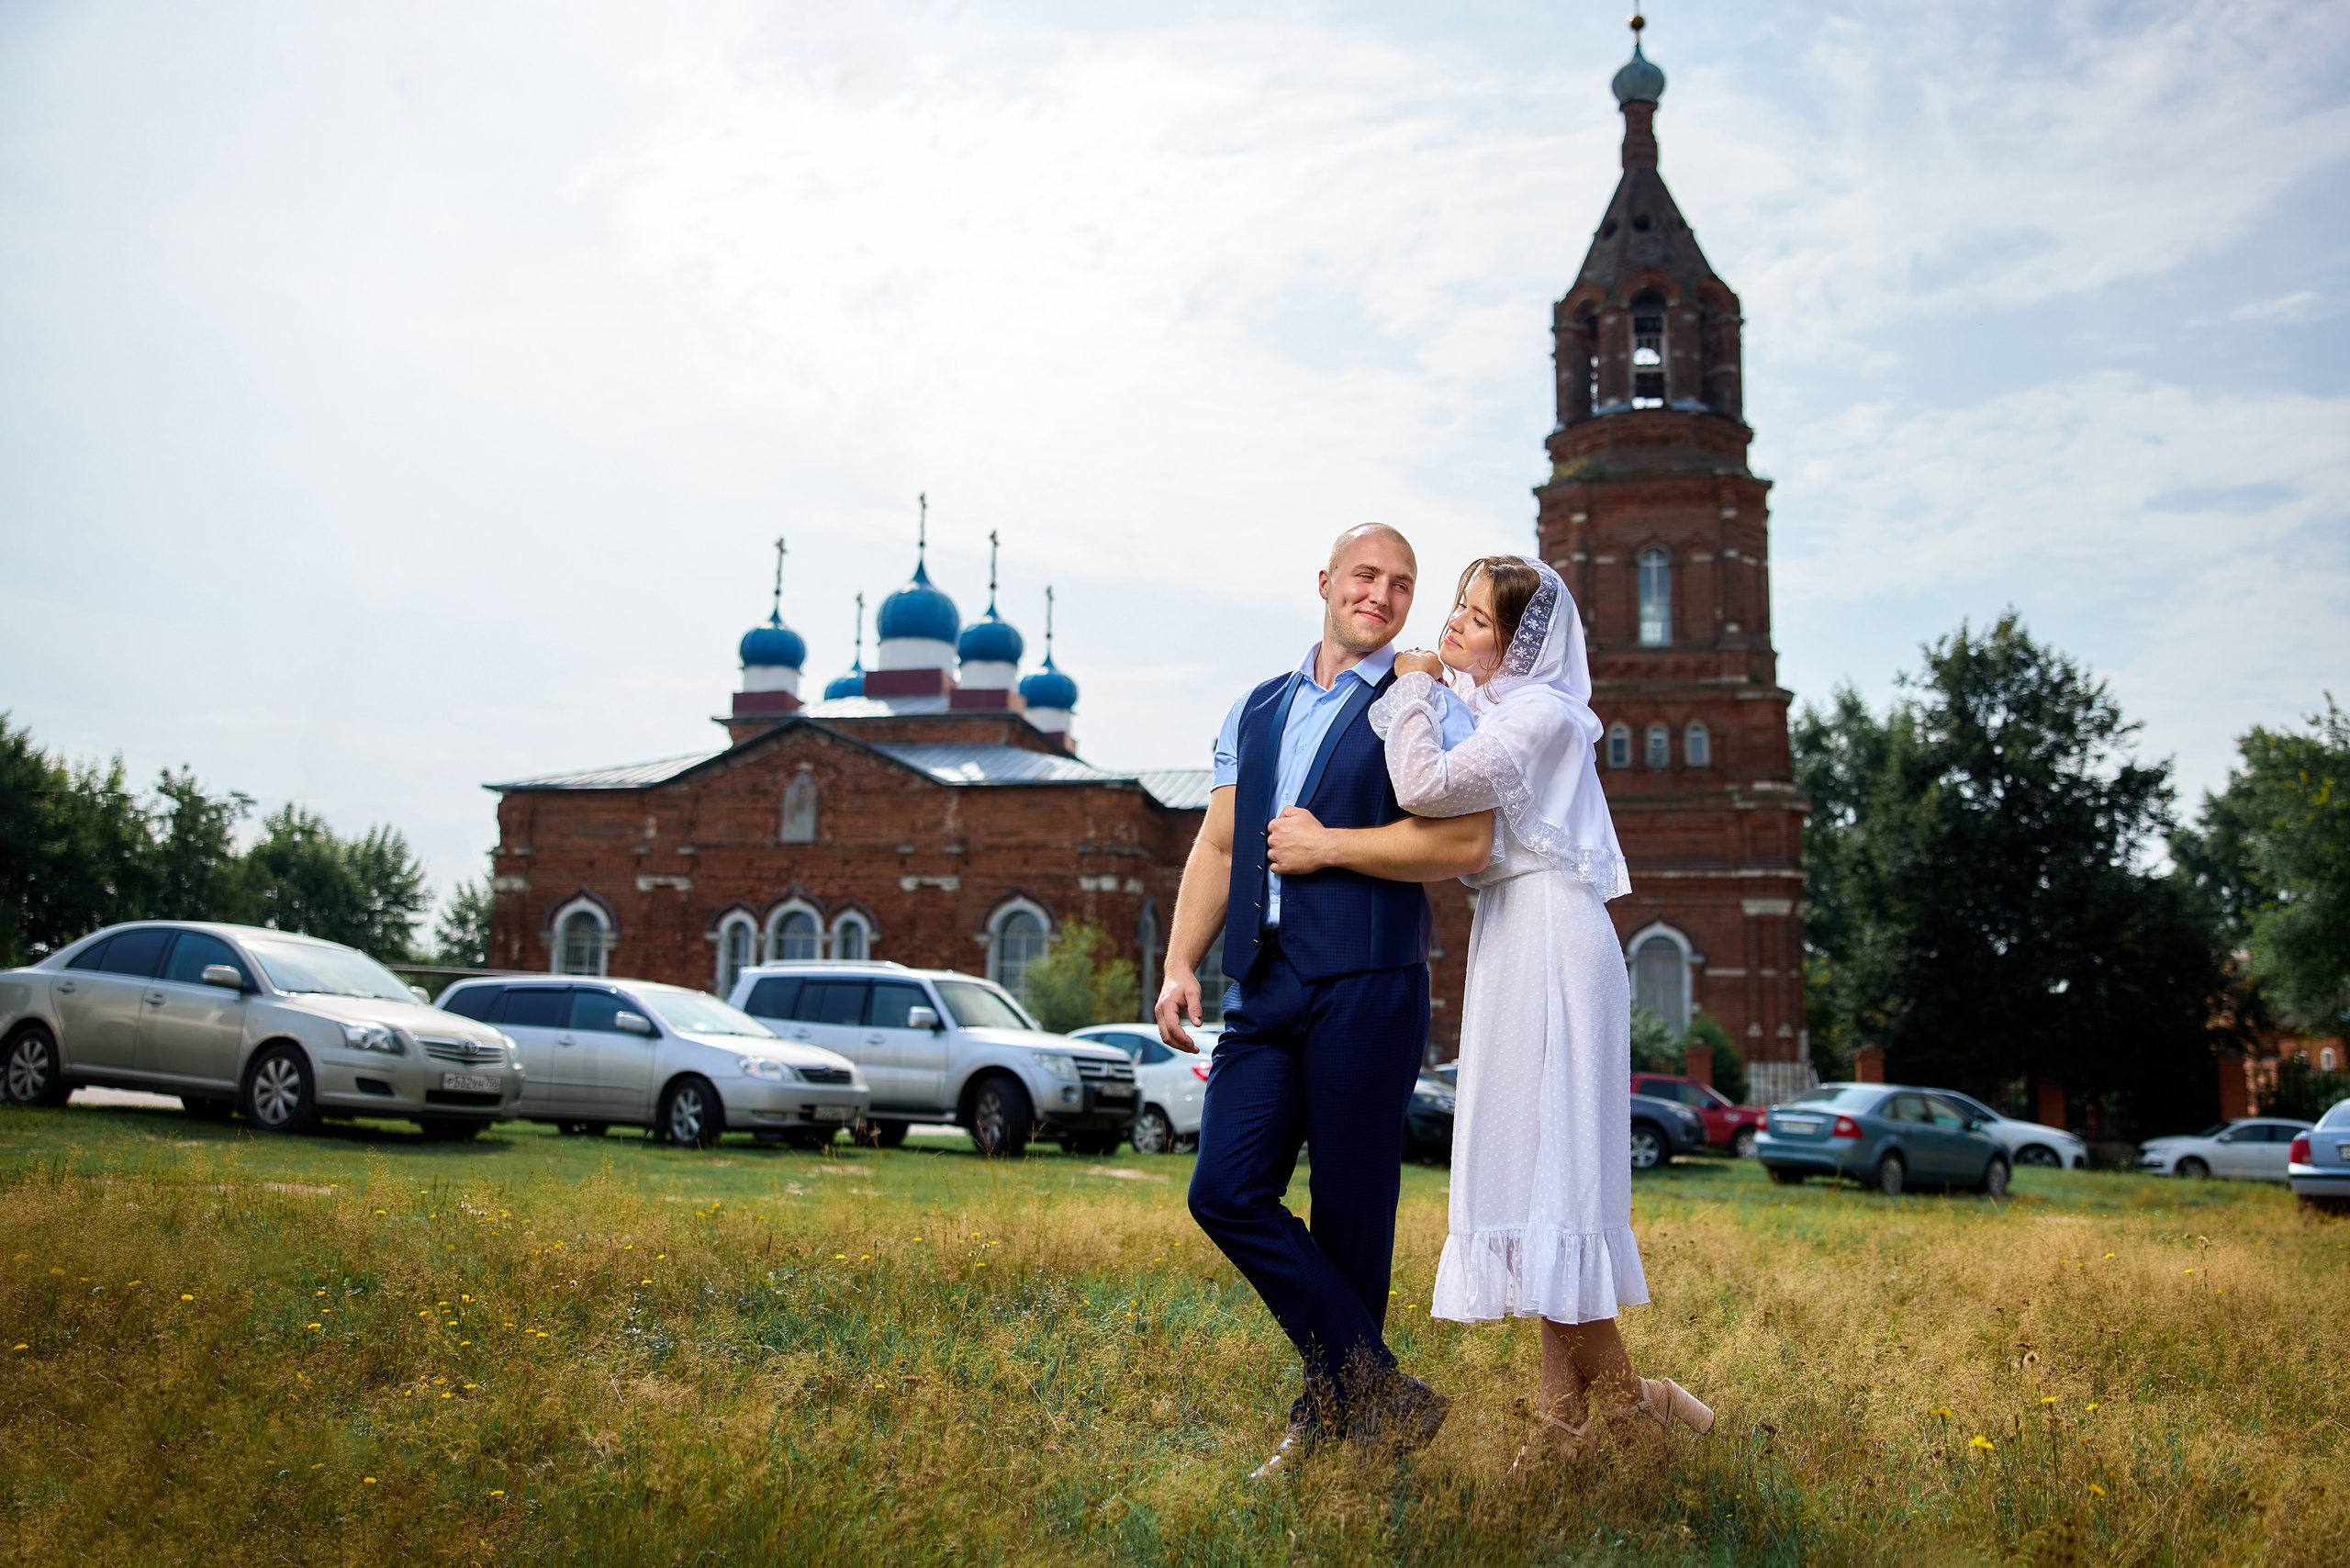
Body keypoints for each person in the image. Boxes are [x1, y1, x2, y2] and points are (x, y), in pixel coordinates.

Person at [1154, 522, 1494, 1480]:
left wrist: (1332, 846)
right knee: (1224, 1189)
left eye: (1400, 584)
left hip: (1370, 982)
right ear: (1325, 582)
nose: (1379, 595)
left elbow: (1464, 844)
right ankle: (1377, 1390)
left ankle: (1328, 1423)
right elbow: (1220, 846)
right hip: (1262, 985)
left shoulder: (1423, 700)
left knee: (1352, 1213)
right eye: (1364, 575)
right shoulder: (1253, 708)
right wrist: (1182, 961)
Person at [1371, 554, 1715, 1464]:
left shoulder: (1539, 716)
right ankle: (1567, 1425)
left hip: (1554, 947)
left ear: (1519, 642)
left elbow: (1424, 787)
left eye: (1475, 620)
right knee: (1538, 1183)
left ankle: (1640, 1417)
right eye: (1456, 610)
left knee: (1554, 1180)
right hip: (1516, 936)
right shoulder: (1501, 710)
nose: (1451, 627)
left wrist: (1409, 687)